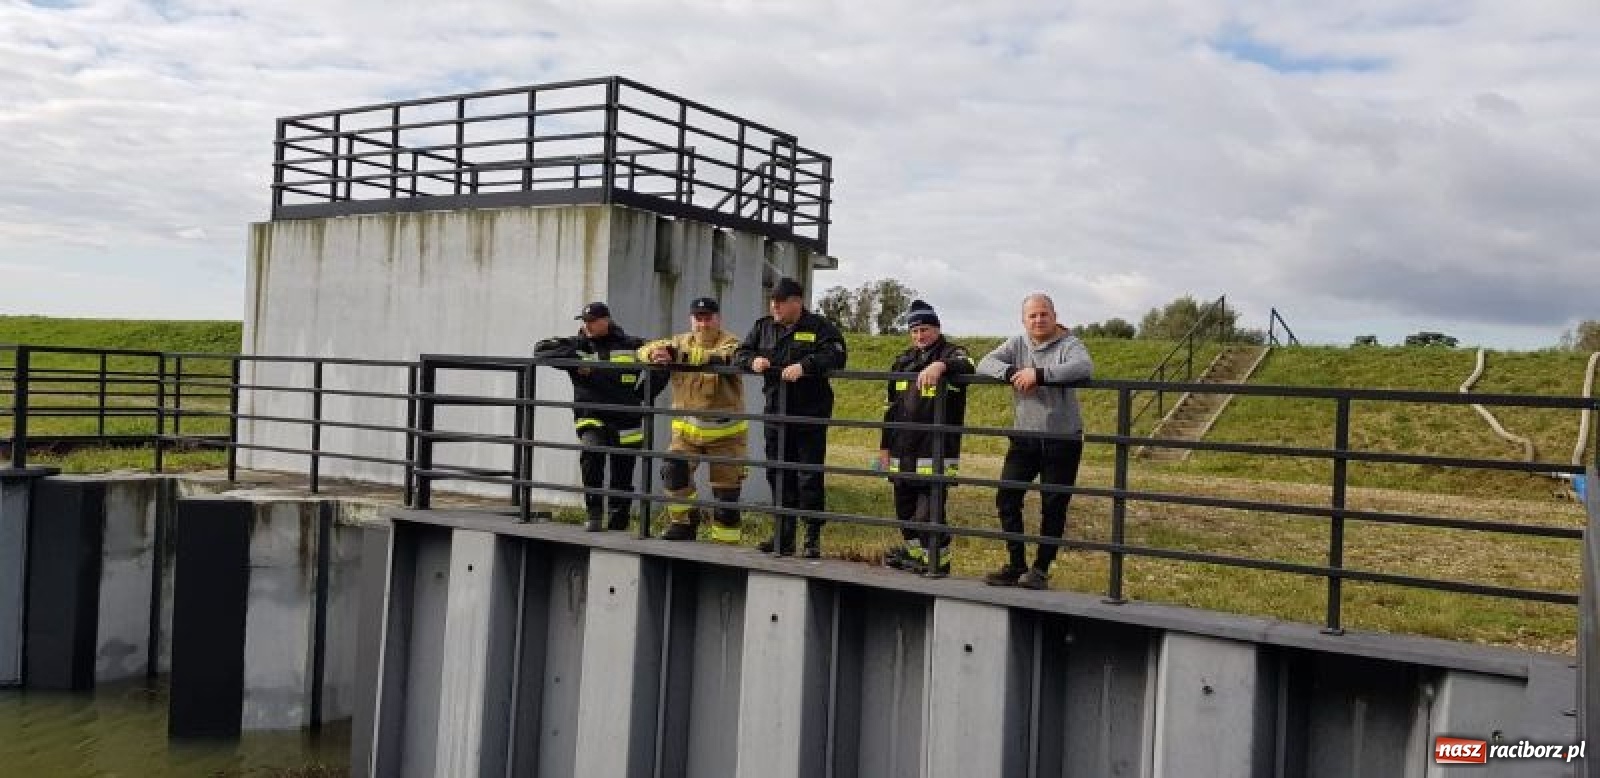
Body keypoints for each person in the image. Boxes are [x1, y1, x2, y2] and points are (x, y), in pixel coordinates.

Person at [976, 293, 1093, 590]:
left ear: (1054, 316)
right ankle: (1016, 565)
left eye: (1044, 314)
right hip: (1025, 438)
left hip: (1062, 440)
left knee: (1053, 506)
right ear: (1023, 319)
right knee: (1007, 499)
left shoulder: (1070, 344)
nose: (1038, 320)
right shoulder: (1017, 343)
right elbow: (984, 362)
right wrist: (1014, 372)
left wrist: (1039, 375)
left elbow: (1083, 368)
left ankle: (1040, 569)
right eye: (1032, 316)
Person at [735, 277, 847, 557]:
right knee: (778, 473)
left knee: (808, 475)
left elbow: (837, 354)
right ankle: (783, 536)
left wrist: (806, 365)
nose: (774, 307)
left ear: (796, 302)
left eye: (780, 303)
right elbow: (740, 353)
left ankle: (811, 538)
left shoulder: (819, 327)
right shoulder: (763, 327)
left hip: (810, 414)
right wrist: (752, 361)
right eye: (772, 302)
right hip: (776, 413)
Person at [534, 302, 652, 532]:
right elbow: (540, 350)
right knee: (591, 454)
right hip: (592, 416)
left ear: (606, 320)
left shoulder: (631, 344)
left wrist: (644, 392)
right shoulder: (579, 344)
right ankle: (594, 514)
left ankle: (619, 521)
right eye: (584, 321)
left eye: (592, 321)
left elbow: (661, 361)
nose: (587, 325)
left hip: (627, 418)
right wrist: (577, 358)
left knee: (622, 474)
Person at [638, 297, 747, 543]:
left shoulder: (732, 343)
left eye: (708, 317)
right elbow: (643, 349)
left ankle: (726, 547)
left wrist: (678, 355)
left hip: (726, 435)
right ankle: (685, 524)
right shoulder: (677, 341)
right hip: (686, 434)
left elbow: (720, 358)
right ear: (691, 319)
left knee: (726, 499)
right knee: (672, 472)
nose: (703, 323)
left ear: (718, 319)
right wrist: (655, 354)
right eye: (698, 318)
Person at [878, 300, 974, 575]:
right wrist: (884, 447)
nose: (920, 336)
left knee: (927, 514)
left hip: (934, 449)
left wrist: (940, 366)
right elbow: (890, 409)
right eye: (915, 331)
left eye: (925, 329)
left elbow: (967, 365)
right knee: (904, 511)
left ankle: (938, 563)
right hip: (900, 448)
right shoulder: (903, 360)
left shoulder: (953, 353)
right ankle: (915, 557)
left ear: (937, 328)